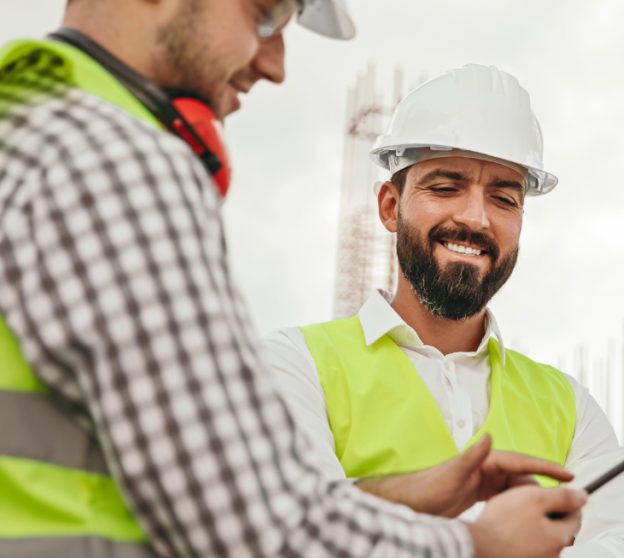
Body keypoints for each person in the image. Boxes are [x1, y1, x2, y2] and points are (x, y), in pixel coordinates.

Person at [0, 1, 587, 556]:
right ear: (391, 204)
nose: (275, 64)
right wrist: (481, 546)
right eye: (265, 14)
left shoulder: (26, 121)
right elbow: (246, 523)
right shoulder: (119, 161)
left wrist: (405, 498)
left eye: (504, 196)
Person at [262, 64, 624, 557]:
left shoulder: (568, 407)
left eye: (503, 198)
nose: (475, 218)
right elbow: (291, 535)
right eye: (445, 187)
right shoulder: (292, 367)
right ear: (390, 207)